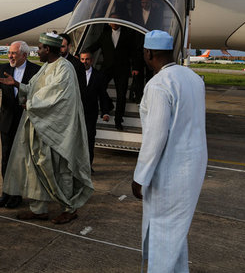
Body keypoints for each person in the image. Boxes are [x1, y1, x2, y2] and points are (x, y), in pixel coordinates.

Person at [131, 30, 207, 272]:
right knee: (175, 234)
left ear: (149, 52)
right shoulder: (193, 77)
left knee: (163, 235)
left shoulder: (158, 85)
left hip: (170, 173)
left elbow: (155, 136)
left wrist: (139, 177)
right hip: (192, 169)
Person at [0, 32, 93, 225]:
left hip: (58, 131)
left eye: (40, 48)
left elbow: (57, 97)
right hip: (41, 128)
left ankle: (69, 209)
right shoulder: (46, 67)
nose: (37, 51)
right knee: (36, 169)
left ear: (48, 49)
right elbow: (33, 88)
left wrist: (30, 104)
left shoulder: (64, 69)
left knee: (61, 169)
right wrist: (16, 84)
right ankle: (38, 209)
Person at [0, 41, 40, 209]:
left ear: (24, 55)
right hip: (7, 121)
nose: (10, 56)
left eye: (13, 53)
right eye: (9, 52)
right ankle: (6, 192)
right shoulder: (3, 67)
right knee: (6, 158)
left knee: (22, 160)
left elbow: (39, 93)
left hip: (25, 121)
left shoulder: (35, 71)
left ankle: (17, 194)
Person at [84, 16, 139, 130]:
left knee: (121, 95)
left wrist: (135, 67)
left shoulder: (127, 34)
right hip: (107, 68)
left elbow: (133, 52)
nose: (114, 23)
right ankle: (109, 105)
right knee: (100, 88)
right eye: (112, 21)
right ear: (108, 23)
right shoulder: (105, 34)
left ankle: (118, 120)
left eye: (116, 20)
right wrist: (82, 53)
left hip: (122, 69)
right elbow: (95, 45)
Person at [79, 50, 113, 168]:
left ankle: (87, 166)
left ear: (92, 61)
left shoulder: (99, 76)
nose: (84, 62)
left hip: (90, 114)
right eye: (82, 59)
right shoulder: (75, 74)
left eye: (87, 59)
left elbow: (103, 95)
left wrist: (105, 112)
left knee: (89, 139)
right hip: (77, 113)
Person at [131, 0, 163, 102]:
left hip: (151, 48)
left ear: (150, 2)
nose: (144, 5)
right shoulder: (136, 13)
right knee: (139, 76)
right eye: (142, 2)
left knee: (150, 75)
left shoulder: (156, 12)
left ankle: (149, 97)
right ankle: (139, 97)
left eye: (146, 2)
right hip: (139, 48)